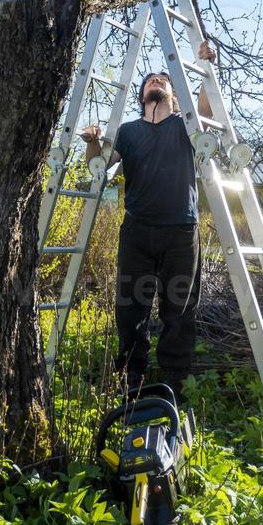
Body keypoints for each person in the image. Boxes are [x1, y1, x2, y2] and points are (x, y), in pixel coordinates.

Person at [81, 40, 216, 402]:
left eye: (163, 79)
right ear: (143, 94)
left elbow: (206, 110)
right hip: (138, 231)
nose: (156, 80)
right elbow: (97, 166)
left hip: (180, 230)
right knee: (130, 305)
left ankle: (173, 380)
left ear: (173, 95)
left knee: (180, 308)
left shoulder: (185, 125)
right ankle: (132, 376)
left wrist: (207, 66)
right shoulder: (127, 131)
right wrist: (91, 142)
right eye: (151, 79)